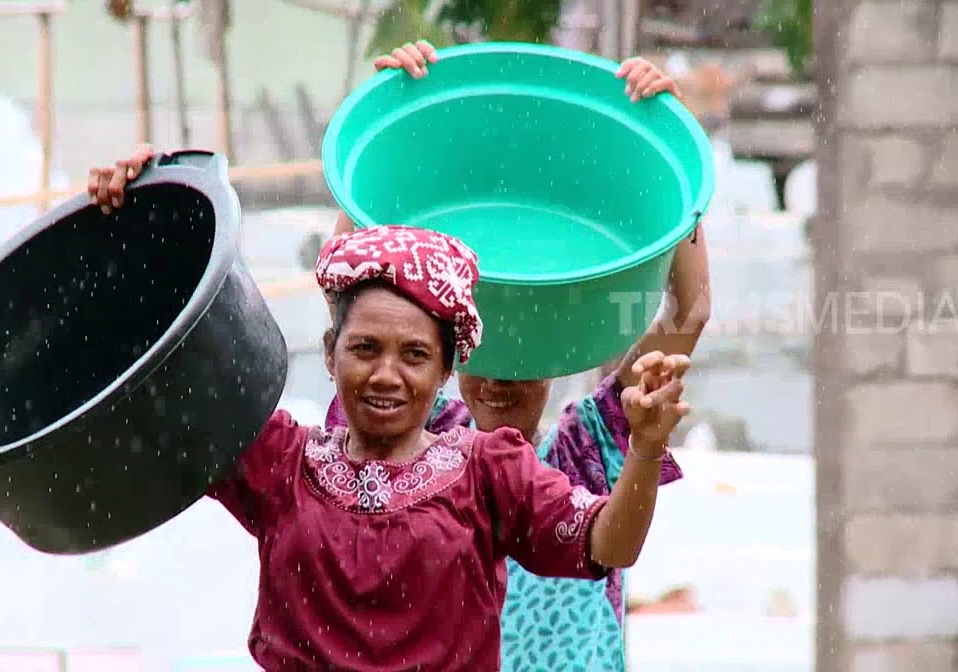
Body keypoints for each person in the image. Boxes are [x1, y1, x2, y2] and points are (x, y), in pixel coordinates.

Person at [88, 162, 694, 669]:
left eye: (415, 355)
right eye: (364, 349)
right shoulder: (276, 460)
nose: (386, 374)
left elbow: (610, 544)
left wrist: (643, 449)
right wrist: (137, 211)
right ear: (330, 355)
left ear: (444, 371)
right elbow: (163, 371)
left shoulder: (488, 470)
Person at [319, 41, 712, 672]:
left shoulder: (591, 449)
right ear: (448, 362)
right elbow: (350, 297)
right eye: (486, 358)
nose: (501, 380)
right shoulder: (419, 441)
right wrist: (382, 164)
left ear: (554, 359)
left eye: (522, 363)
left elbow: (688, 313)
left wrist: (674, 174)